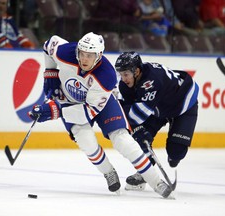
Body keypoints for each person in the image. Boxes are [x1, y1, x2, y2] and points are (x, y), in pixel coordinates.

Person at [28, 32, 173, 198]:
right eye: (82, 54)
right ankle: (108, 172)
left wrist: (54, 110)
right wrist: (50, 72)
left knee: (122, 140)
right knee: (87, 143)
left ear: (99, 55)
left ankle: (156, 182)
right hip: (70, 101)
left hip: (99, 104)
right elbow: (49, 44)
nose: (84, 59)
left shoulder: (106, 75)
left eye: (89, 56)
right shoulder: (65, 52)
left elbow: (87, 112)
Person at [114, 51, 198, 190]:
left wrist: (132, 122)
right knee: (137, 138)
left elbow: (136, 116)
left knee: (175, 154)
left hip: (183, 104)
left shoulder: (152, 81)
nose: (123, 79)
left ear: (137, 71)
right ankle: (144, 174)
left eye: (126, 74)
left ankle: (174, 147)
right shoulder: (126, 83)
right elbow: (129, 115)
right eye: (121, 74)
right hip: (158, 107)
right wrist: (136, 130)